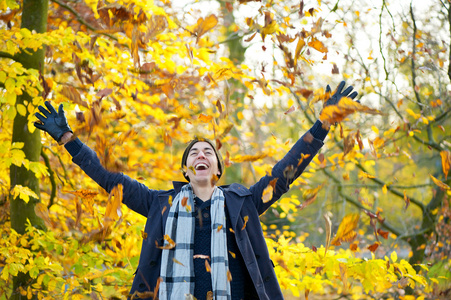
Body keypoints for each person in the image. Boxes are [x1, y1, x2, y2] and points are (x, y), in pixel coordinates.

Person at [34, 81, 358, 300]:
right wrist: (68, 140)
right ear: (186, 170)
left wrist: (323, 126)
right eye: (193, 154)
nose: (200, 155)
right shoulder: (159, 203)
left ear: (217, 170)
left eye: (208, 153)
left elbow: (285, 173)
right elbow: (109, 179)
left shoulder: (242, 203)